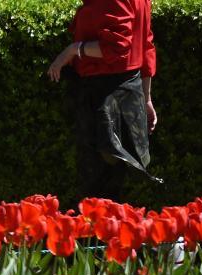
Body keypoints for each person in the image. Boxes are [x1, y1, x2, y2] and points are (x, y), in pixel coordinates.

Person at [47, 0, 159, 205]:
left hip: (106, 96)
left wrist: (73, 50)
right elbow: (145, 46)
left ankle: (101, 234)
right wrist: (146, 98)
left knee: (99, 184)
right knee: (113, 181)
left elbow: (116, 48)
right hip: (126, 94)